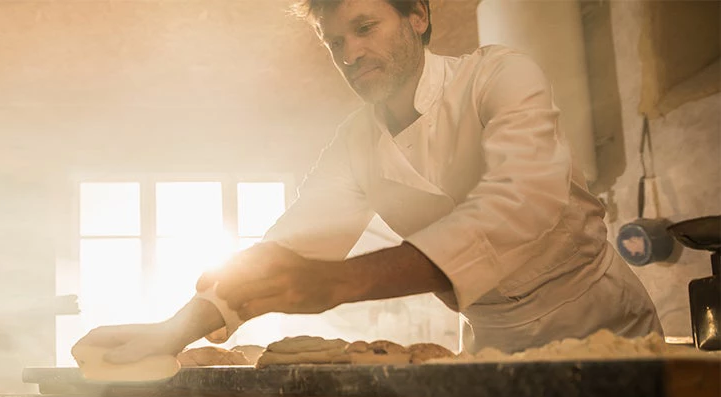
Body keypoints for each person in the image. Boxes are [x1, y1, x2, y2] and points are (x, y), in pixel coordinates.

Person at [74, 0, 661, 363]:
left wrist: (344, 281)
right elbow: (288, 247)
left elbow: (520, 202)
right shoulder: (354, 143)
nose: (352, 52)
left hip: (604, 328)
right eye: (336, 42)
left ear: (418, 16)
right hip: (492, 345)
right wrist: (172, 329)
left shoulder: (498, 76)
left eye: (365, 27)